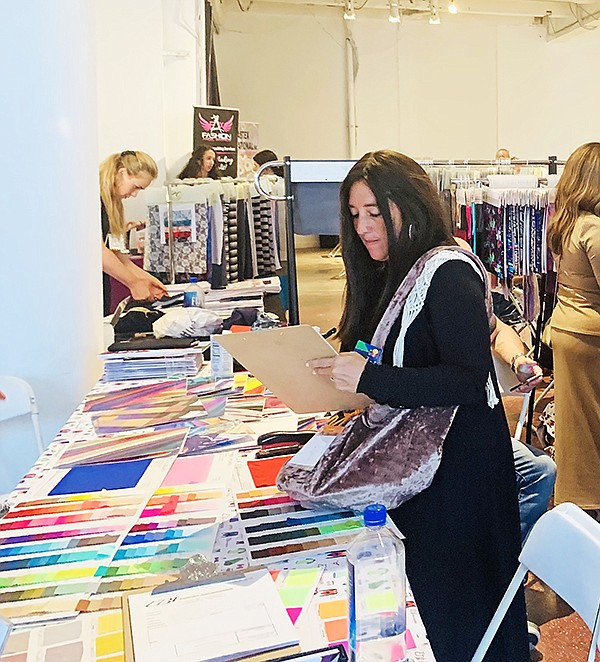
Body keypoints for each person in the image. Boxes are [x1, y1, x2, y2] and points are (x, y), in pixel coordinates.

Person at [309, 150, 529, 661]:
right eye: (354, 215)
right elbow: (384, 353)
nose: (363, 227)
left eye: (374, 212)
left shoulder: (447, 272)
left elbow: (467, 380)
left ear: (409, 204)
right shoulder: (391, 269)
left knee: (463, 605)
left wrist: (371, 379)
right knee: (435, 604)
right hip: (419, 463)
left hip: (457, 470)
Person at [547, 142, 600, 521]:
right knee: (589, 428)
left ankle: (576, 503)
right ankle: (590, 506)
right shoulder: (593, 229)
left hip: (568, 328)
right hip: (589, 336)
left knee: (576, 427)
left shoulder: (566, 224)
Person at [100, 150, 168, 316]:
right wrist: (133, 283)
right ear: (122, 173)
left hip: (100, 287)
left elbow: (118, 255)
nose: (134, 194)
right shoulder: (91, 199)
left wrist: (146, 279)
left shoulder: (112, 204)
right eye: (136, 187)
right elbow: (97, 251)